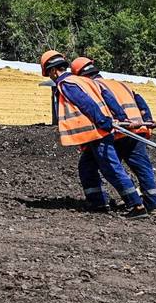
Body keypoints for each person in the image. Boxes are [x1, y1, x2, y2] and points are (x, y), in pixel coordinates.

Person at [40, 50, 148, 219]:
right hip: (95, 133)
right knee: (87, 168)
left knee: (111, 168)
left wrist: (103, 121)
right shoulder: (83, 81)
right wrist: (120, 117)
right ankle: (98, 202)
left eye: (49, 74)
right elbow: (108, 96)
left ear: (53, 71)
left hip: (97, 132)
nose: (51, 77)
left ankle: (136, 204)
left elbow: (86, 104)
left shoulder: (66, 84)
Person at [70, 57, 156, 218]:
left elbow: (107, 103)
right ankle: (154, 207)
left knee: (91, 165)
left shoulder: (94, 87)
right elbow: (140, 100)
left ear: (80, 76)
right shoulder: (120, 84)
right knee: (143, 169)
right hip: (137, 130)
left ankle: (101, 202)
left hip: (118, 133)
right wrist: (147, 120)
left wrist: (121, 120)